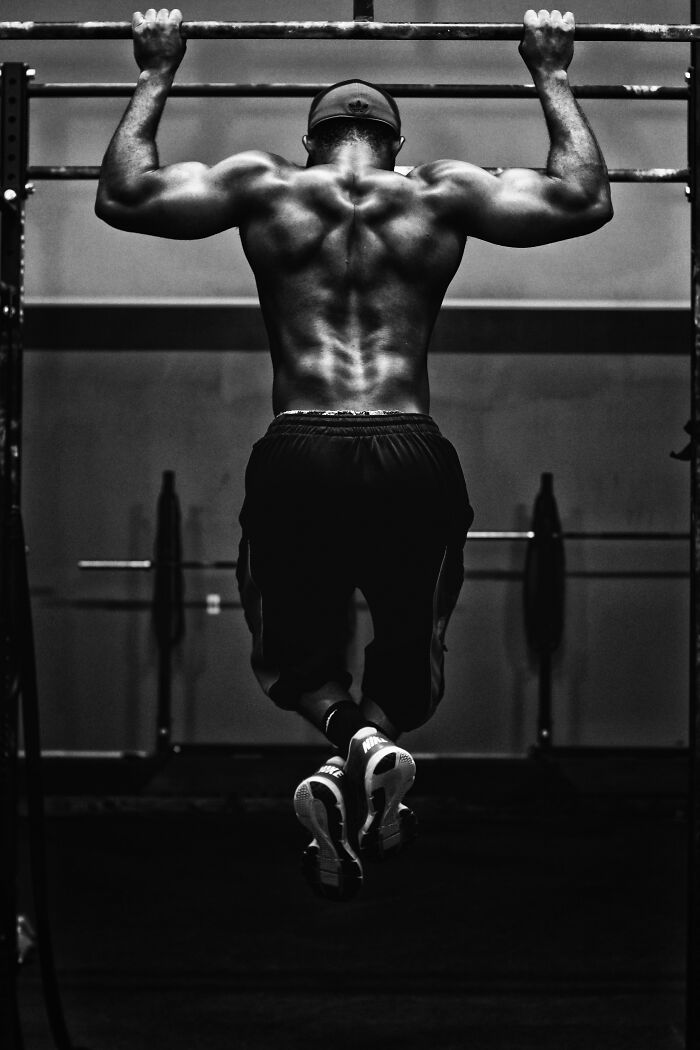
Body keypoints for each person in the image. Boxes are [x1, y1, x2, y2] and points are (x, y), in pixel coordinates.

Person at [95, 8, 612, 901]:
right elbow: (583, 198)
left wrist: (155, 68)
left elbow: (125, 194)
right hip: (411, 446)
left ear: (310, 139)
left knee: (292, 659)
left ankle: (350, 747)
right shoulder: (443, 190)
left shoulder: (264, 186)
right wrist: (552, 70)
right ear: (395, 139)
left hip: (300, 445)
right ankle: (369, 748)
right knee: (415, 654)